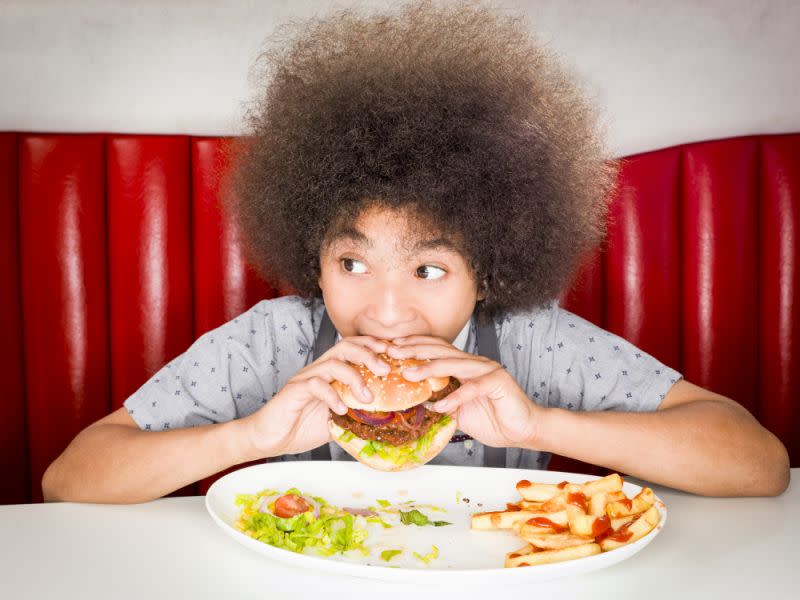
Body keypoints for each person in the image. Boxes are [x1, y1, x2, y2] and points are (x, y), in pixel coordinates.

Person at [42, 1, 789, 503]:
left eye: (429, 269)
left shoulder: (531, 341)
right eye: (352, 264)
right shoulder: (272, 344)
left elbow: (757, 466)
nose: (388, 313)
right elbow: (70, 481)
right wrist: (251, 434)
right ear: (313, 255)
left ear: (489, 269)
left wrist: (538, 426)